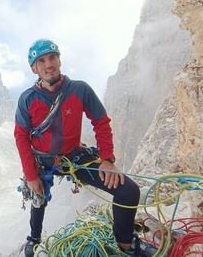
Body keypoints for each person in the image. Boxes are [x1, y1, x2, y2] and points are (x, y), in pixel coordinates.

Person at [14, 39, 152, 257]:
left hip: (74, 158)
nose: (48, 64)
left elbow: (100, 121)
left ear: (59, 60)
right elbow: (21, 138)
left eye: (52, 57)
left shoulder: (79, 89)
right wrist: (31, 176)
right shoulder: (27, 99)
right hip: (43, 160)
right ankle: (34, 238)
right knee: (37, 197)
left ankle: (126, 243)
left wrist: (107, 159)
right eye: (41, 61)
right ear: (34, 69)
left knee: (128, 190)